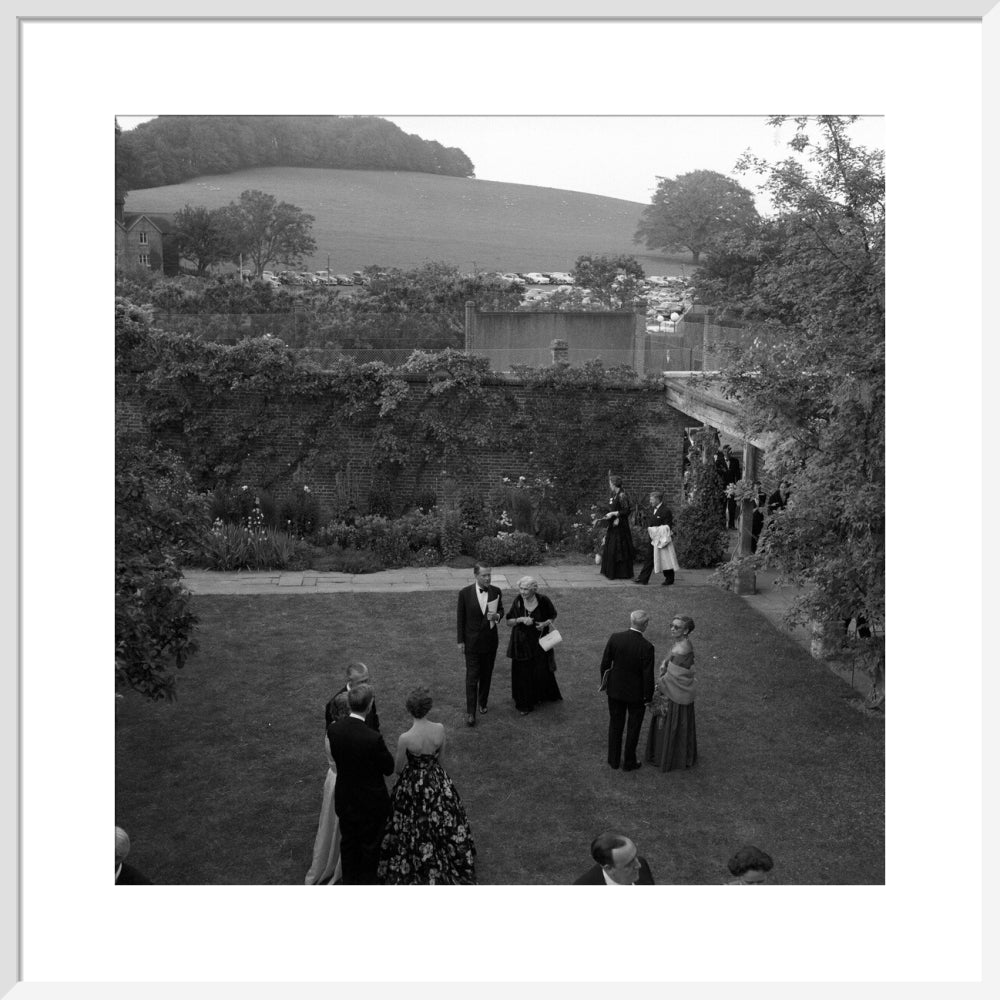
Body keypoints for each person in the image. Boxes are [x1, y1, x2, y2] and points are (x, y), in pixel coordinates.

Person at [377, 687, 476, 884]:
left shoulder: (405, 738)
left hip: (412, 784)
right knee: (443, 818)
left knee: (410, 822)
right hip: (436, 779)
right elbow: (443, 759)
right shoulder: (439, 729)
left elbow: (397, 768)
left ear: (409, 709)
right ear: (428, 707)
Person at [327, 683, 394, 885]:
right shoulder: (372, 738)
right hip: (370, 803)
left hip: (345, 798)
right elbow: (389, 767)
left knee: (348, 844)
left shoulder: (334, 730)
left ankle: (349, 881)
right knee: (370, 847)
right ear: (369, 705)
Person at [305, 680, 352, 886]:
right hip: (342, 780)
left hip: (333, 778)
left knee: (331, 822)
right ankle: (339, 861)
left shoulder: (332, 730)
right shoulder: (340, 735)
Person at [600, 610, 655, 771]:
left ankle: (613, 760)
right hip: (636, 695)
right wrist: (648, 697)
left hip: (615, 690)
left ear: (631, 621)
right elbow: (648, 674)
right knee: (633, 727)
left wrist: (605, 683)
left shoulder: (615, 638)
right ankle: (629, 762)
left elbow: (605, 664)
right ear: (645, 625)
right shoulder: (647, 647)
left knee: (615, 725)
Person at [645, 615, 697, 771]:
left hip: (673, 695)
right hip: (677, 693)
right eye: (671, 625)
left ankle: (667, 755)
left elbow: (673, 676)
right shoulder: (682, 644)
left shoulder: (682, 649)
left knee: (668, 724)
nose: (672, 629)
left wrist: (658, 684)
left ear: (686, 630)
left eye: (677, 627)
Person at [504, 575, 562, 715]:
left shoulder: (543, 600)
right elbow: (508, 621)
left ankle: (541, 696)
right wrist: (520, 619)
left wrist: (544, 624)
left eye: (526, 589)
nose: (522, 592)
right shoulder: (518, 601)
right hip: (521, 644)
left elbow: (552, 616)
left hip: (539, 643)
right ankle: (524, 704)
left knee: (540, 670)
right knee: (523, 673)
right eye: (521, 588)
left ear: (534, 589)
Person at [456, 563, 505, 727]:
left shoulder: (496, 591)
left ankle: (482, 702)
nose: (488, 578)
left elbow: (502, 611)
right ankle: (471, 712)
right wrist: (460, 641)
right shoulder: (464, 593)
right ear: (476, 575)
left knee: (486, 675)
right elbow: (460, 618)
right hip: (471, 644)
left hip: (490, 643)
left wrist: (497, 616)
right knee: (471, 677)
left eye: (489, 575)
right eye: (484, 575)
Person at [573, 832, 655, 885]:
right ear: (609, 868)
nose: (639, 865)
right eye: (629, 864)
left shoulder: (642, 864)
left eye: (635, 856)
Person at [634, 490, 676, 585]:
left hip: (661, 540)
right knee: (649, 558)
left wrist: (657, 531)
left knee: (665, 559)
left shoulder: (666, 511)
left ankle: (670, 579)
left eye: (651, 499)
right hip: (653, 539)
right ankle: (643, 579)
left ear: (657, 499)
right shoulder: (653, 509)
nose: (650, 501)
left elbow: (668, 526)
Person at [599, 474, 635, 580]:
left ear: (614, 484)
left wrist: (616, 514)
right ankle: (609, 571)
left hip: (621, 527)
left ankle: (620, 573)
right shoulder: (613, 494)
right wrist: (609, 515)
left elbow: (627, 510)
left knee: (619, 548)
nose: (609, 485)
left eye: (610, 483)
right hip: (613, 525)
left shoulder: (622, 495)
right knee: (610, 547)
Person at [325, 660, 379, 731]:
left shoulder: (368, 693)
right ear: (349, 680)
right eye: (361, 682)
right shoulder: (334, 703)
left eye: (366, 681)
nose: (365, 685)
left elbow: (373, 718)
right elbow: (332, 732)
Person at [715, 445, 742, 529]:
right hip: (722, 487)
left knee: (732, 507)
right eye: (725, 452)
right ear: (723, 452)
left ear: (731, 452)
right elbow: (717, 475)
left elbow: (738, 475)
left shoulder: (735, 461)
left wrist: (737, 486)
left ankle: (731, 525)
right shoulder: (719, 462)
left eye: (728, 452)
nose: (726, 454)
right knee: (722, 506)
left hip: (731, 486)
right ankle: (722, 525)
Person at [749, 481, 768, 553]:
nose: (757, 489)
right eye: (756, 487)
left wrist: (757, 496)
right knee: (751, 534)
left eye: (759, 487)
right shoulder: (749, 496)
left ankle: (754, 549)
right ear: (753, 487)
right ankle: (751, 550)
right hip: (751, 518)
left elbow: (762, 505)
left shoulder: (763, 495)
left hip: (759, 518)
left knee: (757, 534)